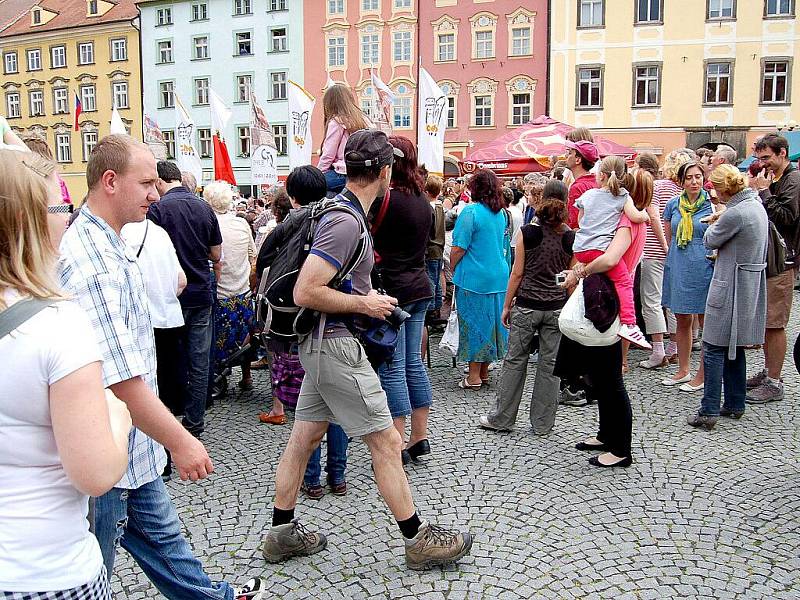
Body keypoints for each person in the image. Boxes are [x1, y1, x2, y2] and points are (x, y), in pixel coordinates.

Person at [58, 135, 265, 598]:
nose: (156, 193)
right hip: (107, 455)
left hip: (132, 452)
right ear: (110, 182)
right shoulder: (91, 261)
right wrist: (182, 440)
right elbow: (118, 382)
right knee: (95, 576)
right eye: (146, 182)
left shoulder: (113, 242)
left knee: (168, 548)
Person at [261, 129, 472, 571]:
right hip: (334, 346)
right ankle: (418, 540)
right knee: (387, 439)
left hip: (319, 345)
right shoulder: (346, 220)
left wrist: (365, 295)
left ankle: (281, 533)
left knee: (303, 438)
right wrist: (366, 303)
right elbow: (306, 289)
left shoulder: (342, 212)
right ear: (384, 171)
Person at [0, 148, 130, 600]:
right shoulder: (57, 325)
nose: (69, 215)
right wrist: (120, 416)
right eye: (62, 204)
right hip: (44, 568)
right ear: (34, 220)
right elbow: (95, 474)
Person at [479, 180, 574, 434]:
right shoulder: (570, 237)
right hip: (555, 307)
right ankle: (543, 424)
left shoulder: (528, 233)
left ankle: (502, 419)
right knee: (550, 365)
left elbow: (517, 273)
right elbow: (569, 279)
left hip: (527, 305)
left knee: (515, 362)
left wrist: (508, 304)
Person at [557, 207, 647, 468]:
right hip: (606, 299)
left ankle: (621, 450)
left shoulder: (628, 219)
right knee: (602, 378)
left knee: (612, 381)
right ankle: (607, 436)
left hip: (609, 302)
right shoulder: (624, 216)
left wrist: (579, 272)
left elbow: (610, 260)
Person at [369, 136, 434, 464]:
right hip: (420, 286)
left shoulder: (386, 200)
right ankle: (419, 437)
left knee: (393, 368)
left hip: (394, 291)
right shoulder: (422, 198)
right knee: (414, 364)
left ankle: (395, 442)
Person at [687, 165, 768, 429]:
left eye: (714, 187)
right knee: (734, 347)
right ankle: (735, 403)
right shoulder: (754, 205)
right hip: (746, 283)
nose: (712, 192)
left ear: (725, 189)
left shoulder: (735, 213)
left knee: (712, 347)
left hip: (730, 284)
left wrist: (715, 220)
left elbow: (710, 240)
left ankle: (708, 410)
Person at [149, 160, 222, 436]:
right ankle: (194, 422)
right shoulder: (204, 207)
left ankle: (168, 420)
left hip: (168, 295)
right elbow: (216, 255)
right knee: (200, 360)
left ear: (159, 181)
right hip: (201, 293)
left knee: (168, 359)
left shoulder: (157, 210)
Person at [121, 208, 186, 477]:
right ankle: (168, 454)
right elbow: (181, 281)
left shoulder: (118, 235)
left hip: (138, 324)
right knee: (166, 391)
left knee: (139, 391)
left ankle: (144, 457)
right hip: (168, 319)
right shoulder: (159, 234)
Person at [572, 155, 651, 348]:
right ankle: (630, 324)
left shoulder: (588, 195)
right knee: (624, 281)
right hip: (599, 250)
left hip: (581, 249)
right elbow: (634, 215)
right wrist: (645, 215)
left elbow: (580, 220)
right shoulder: (623, 196)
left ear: (601, 176)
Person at [746, 133, 800, 404]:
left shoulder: (793, 180)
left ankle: (775, 382)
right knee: (766, 321)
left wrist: (764, 192)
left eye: (766, 157)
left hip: (783, 261)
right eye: (759, 158)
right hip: (769, 257)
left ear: (782, 154)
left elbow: (788, 217)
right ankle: (768, 372)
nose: (762, 163)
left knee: (775, 323)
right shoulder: (777, 178)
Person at [451, 169, 511, 389]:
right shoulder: (502, 213)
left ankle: (474, 375)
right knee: (492, 324)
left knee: (474, 324)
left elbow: (458, 247)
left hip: (474, 277)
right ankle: (484, 371)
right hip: (498, 276)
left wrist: (452, 267)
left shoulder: (471, 212)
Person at [661, 161, 713, 391]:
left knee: (705, 321)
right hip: (679, 262)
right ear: (681, 181)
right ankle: (683, 369)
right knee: (681, 317)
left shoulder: (711, 205)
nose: (694, 182)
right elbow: (668, 236)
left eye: (698, 177)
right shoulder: (673, 205)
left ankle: (703, 374)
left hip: (703, 263)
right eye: (689, 177)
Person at [204, 181, 257, 394]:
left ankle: (218, 378)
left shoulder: (208, 225)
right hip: (242, 291)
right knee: (245, 335)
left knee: (218, 340)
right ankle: (246, 376)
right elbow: (253, 255)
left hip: (221, 293)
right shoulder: (241, 224)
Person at [638, 151, 688, 368]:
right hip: (679, 251)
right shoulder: (686, 191)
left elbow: (654, 215)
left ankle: (658, 350)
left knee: (652, 300)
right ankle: (674, 347)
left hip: (654, 250)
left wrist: (665, 243)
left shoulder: (658, 187)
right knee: (672, 300)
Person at [318, 83, 369, 195]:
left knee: (306, 187)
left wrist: (317, 176)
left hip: (342, 174)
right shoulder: (363, 120)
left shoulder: (337, 122)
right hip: (362, 173)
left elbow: (328, 155)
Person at [424, 173, 446, 322]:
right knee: (437, 279)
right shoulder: (440, 207)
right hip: (439, 248)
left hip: (431, 249)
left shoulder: (429, 208)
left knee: (431, 280)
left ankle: (431, 309)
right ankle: (437, 307)